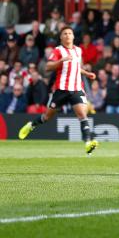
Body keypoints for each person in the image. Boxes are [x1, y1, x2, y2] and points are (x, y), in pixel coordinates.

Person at [18, 26, 98, 154]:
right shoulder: (58, 50)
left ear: (73, 36)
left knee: (83, 115)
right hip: (61, 89)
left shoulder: (78, 50)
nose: (67, 35)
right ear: (61, 37)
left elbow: (75, 67)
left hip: (77, 88)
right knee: (47, 117)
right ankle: (31, 125)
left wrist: (86, 73)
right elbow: (48, 67)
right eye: (64, 33)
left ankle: (88, 143)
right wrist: (61, 61)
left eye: (69, 33)